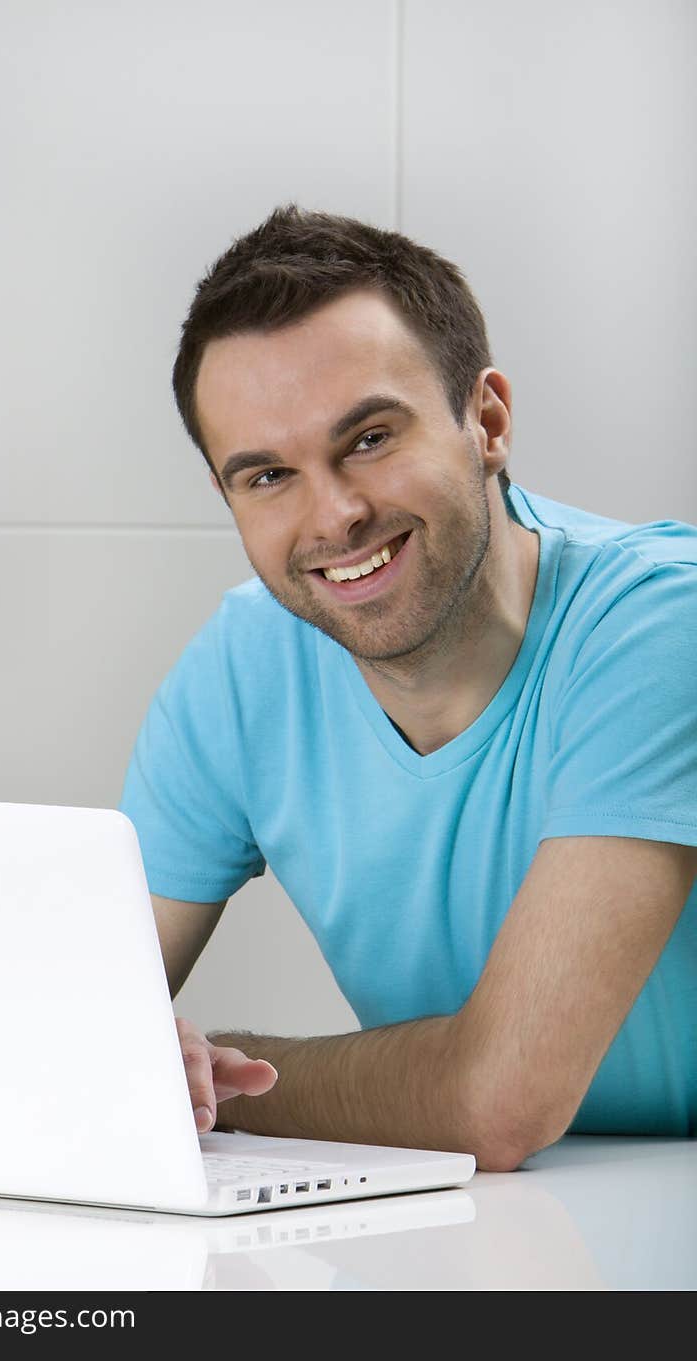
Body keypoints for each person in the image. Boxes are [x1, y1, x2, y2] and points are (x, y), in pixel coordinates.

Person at [120, 205, 697, 1171]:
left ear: (489, 421)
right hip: (477, 1234)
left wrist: (220, 1077)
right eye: (267, 475)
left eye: (371, 439)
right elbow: (68, 1031)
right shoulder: (242, 670)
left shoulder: (656, 626)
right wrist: (112, 1050)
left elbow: (498, 1099)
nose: (336, 514)